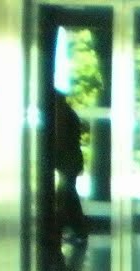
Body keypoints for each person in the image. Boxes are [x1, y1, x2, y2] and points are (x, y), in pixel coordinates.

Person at [48, 89, 88, 246]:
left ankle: (71, 229)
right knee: (68, 195)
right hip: (71, 161)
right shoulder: (68, 114)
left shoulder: (62, 116)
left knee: (66, 195)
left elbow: (61, 140)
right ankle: (77, 230)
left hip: (68, 162)